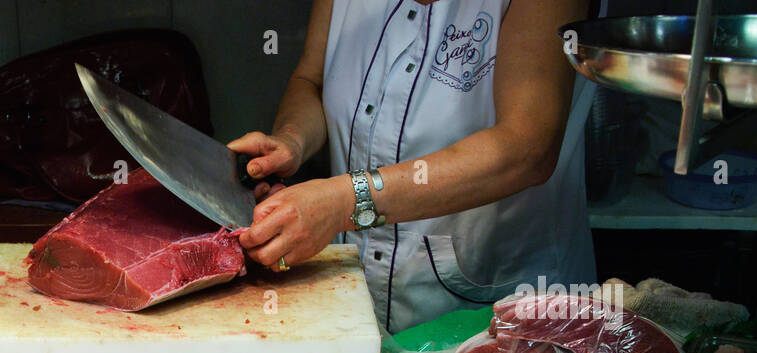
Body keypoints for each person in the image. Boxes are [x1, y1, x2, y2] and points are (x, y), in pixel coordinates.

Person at [231, 0, 600, 333]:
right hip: (351, 299)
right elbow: (310, 80)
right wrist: (292, 140)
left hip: (499, 307)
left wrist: (348, 202)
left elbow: (527, 148)